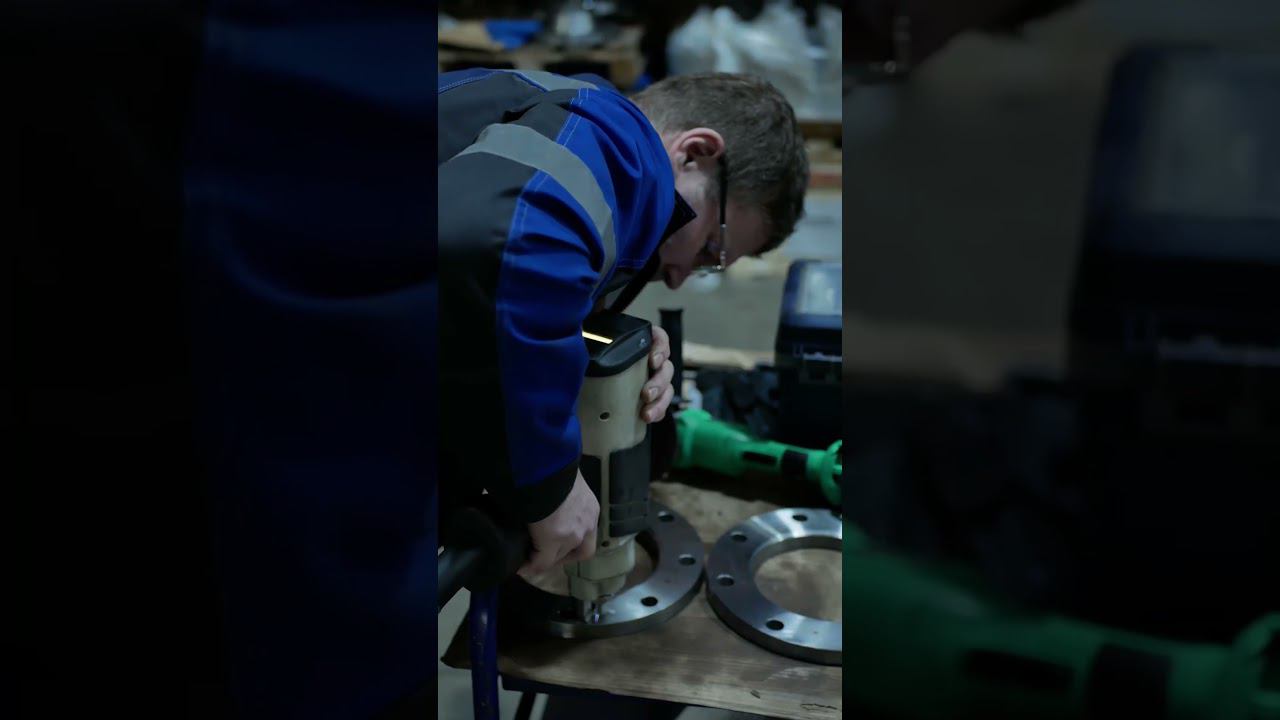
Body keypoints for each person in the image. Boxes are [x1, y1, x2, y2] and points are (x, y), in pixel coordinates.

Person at [437, 68, 810, 576]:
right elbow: (496, 248)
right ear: (695, 153)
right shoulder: (612, 132)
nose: (679, 278)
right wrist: (548, 483)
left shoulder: (557, 120)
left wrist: (600, 338)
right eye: (710, 248)